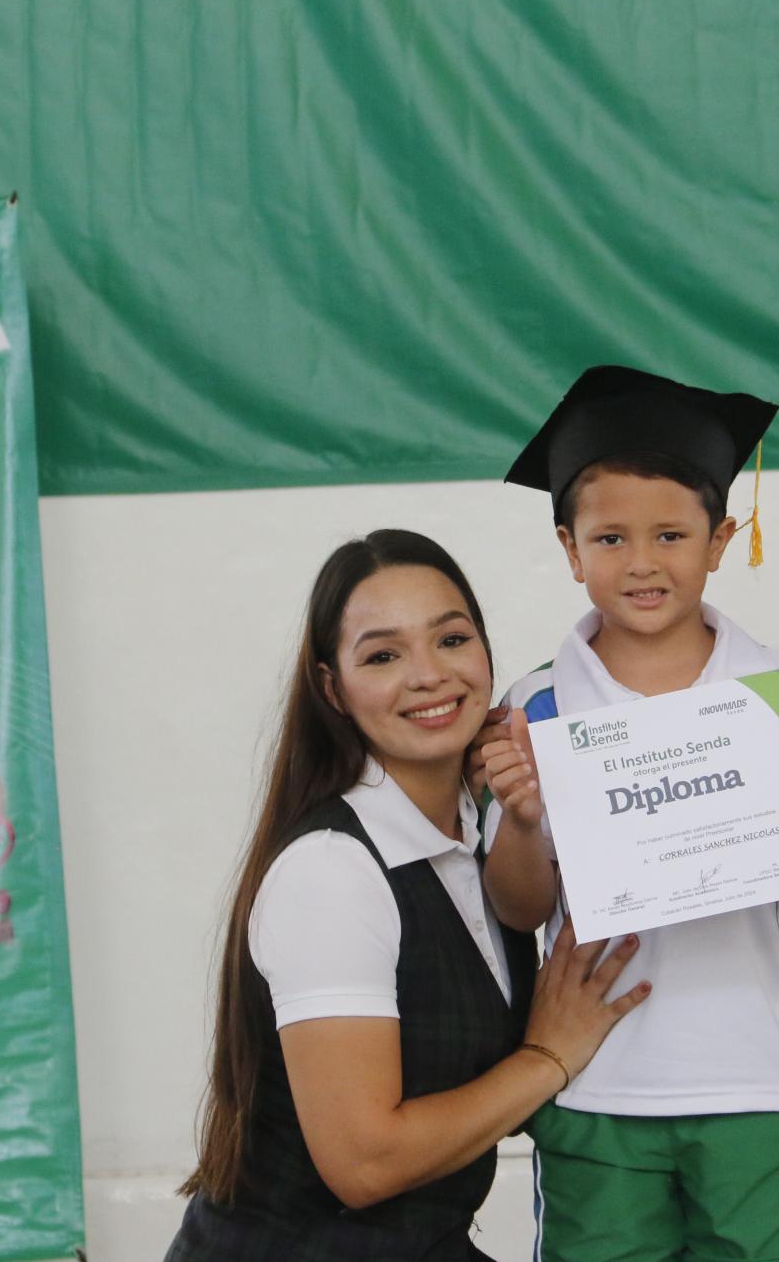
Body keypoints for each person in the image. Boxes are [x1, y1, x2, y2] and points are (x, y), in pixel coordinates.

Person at [478, 365, 779, 1262]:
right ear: (570, 549)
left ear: (721, 538)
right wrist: (528, 819)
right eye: (610, 537)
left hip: (755, 1078)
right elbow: (517, 908)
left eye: (671, 534)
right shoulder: (535, 705)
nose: (643, 562)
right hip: (595, 1080)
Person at [167, 529, 647, 1260]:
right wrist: (549, 1056)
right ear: (333, 688)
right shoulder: (332, 869)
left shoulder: (481, 846)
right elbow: (366, 1163)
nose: (428, 675)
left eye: (451, 639)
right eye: (383, 655)